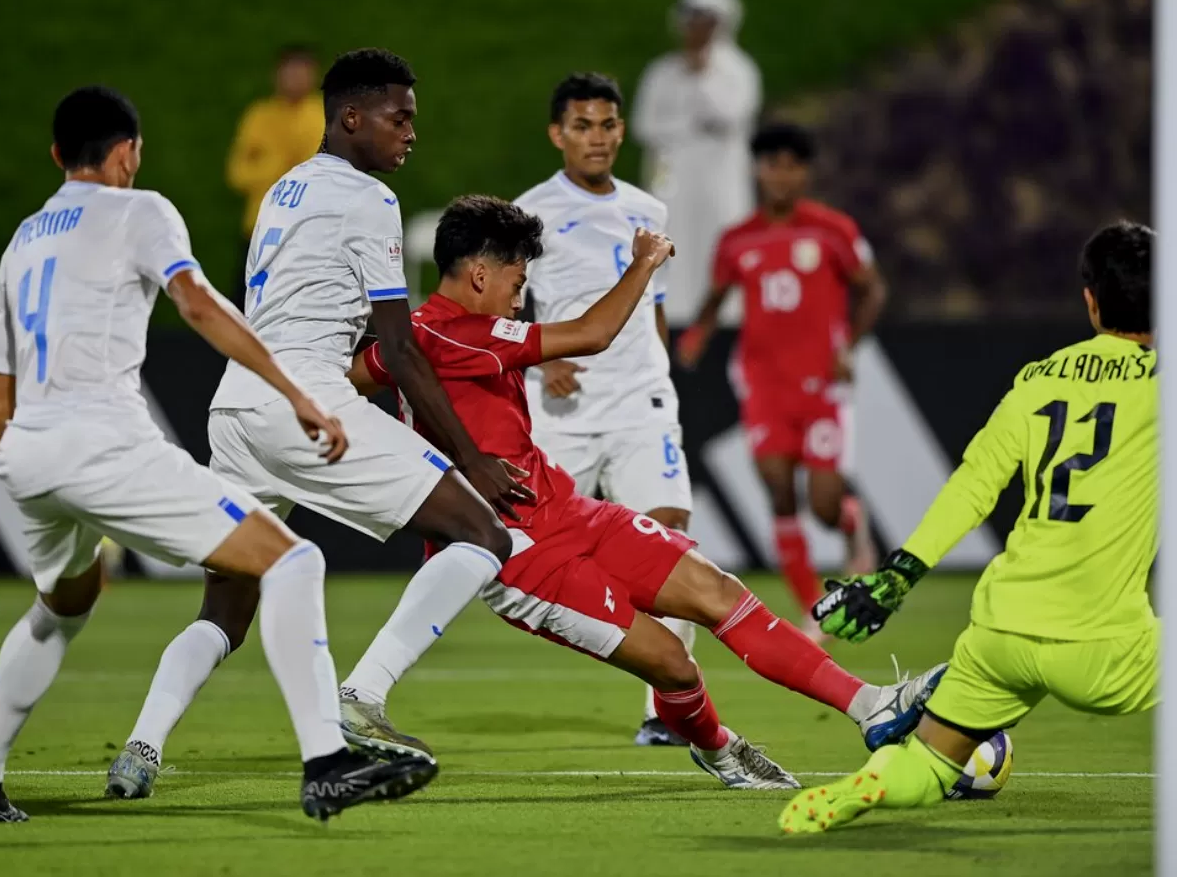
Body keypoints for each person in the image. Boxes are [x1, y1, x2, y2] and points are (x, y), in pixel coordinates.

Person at [0, 87, 436, 826]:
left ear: (55, 156)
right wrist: (297, 393)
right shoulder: (141, 210)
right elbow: (200, 304)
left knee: (60, 607)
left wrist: (36, 464)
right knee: (294, 561)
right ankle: (327, 764)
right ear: (128, 151)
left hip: (30, 456)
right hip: (107, 449)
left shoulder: (24, 238)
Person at [349, 195, 945, 787]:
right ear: (479, 272)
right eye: (516, 278)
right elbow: (592, 332)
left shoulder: (416, 341)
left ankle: (871, 705)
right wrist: (645, 262)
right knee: (672, 665)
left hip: (569, 508)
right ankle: (721, 749)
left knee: (718, 592)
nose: (520, 293)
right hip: (520, 554)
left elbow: (351, 376)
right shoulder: (454, 333)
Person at [105, 49, 530, 798]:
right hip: (303, 401)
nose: (410, 132)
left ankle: (140, 747)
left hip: (236, 407)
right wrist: (470, 457)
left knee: (226, 607)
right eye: (399, 117)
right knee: (484, 532)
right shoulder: (370, 199)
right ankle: (361, 701)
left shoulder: (283, 189)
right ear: (351, 117)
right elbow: (397, 348)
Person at [779, 221, 1159, 833]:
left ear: (1090, 301)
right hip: (1105, 645)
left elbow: (973, 485)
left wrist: (898, 575)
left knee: (928, 766)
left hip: (1001, 632)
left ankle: (864, 786)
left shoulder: (1037, 380)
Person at [514, 72, 697, 747]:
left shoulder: (650, 208)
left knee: (670, 531)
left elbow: (657, 307)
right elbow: (505, 308)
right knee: (529, 561)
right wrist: (542, 359)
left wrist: (659, 372)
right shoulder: (528, 212)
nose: (597, 138)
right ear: (557, 134)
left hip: (641, 401)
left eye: (608, 125)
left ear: (622, 131)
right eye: (583, 126)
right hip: (564, 409)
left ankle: (668, 707)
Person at [677, 123, 887, 642]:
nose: (781, 174)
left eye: (792, 164)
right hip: (763, 383)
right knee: (776, 490)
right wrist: (699, 331)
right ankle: (814, 607)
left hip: (821, 386)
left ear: (805, 172)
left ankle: (850, 518)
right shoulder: (737, 238)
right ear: (757, 169)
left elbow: (873, 290)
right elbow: (718, 290)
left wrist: (847, 346)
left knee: (821, 503)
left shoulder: (832, 229)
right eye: (771, 163)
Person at [631, 0, 760, 324]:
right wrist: (688, 127)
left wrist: (702, 74)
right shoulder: (662, 72)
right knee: (671, 244)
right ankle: (669, 317)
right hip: (670, 179)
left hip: (720, 180)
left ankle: (727, 321)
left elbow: (729, 115)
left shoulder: (737, 70)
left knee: (721, 244)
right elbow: (644, 125)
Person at [226, 45, 326, 300]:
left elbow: (324, 172)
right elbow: (237, 173)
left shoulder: (324, 116)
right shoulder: (259, 116)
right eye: (289, 71)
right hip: (260, 228)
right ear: (277, 74)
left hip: (309, 230)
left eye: (301, 72)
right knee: (247, 307)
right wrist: (277, 164)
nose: (294, 78)